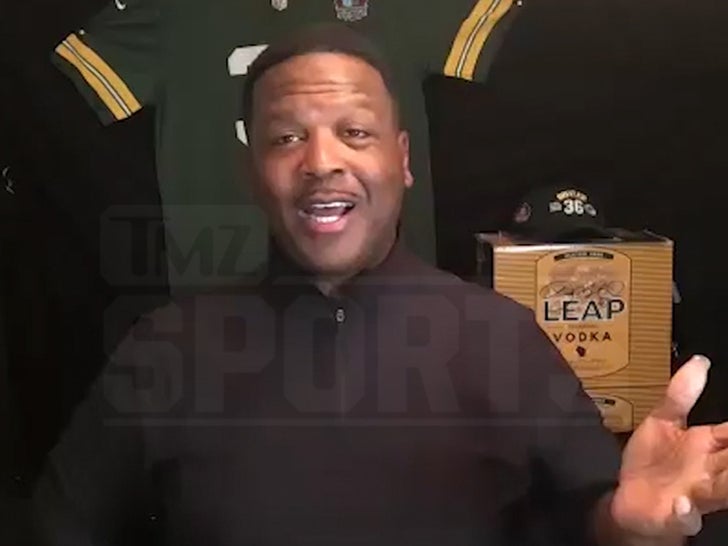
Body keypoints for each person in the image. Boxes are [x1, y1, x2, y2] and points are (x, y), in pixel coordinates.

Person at [30, 23, 728, 546]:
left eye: (355, 133)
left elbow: (599, 519)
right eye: (285, 138)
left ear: (402, 160)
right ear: (251, 172)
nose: (320, 161)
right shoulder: (164, 349)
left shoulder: (502, 337)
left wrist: (630, 524)